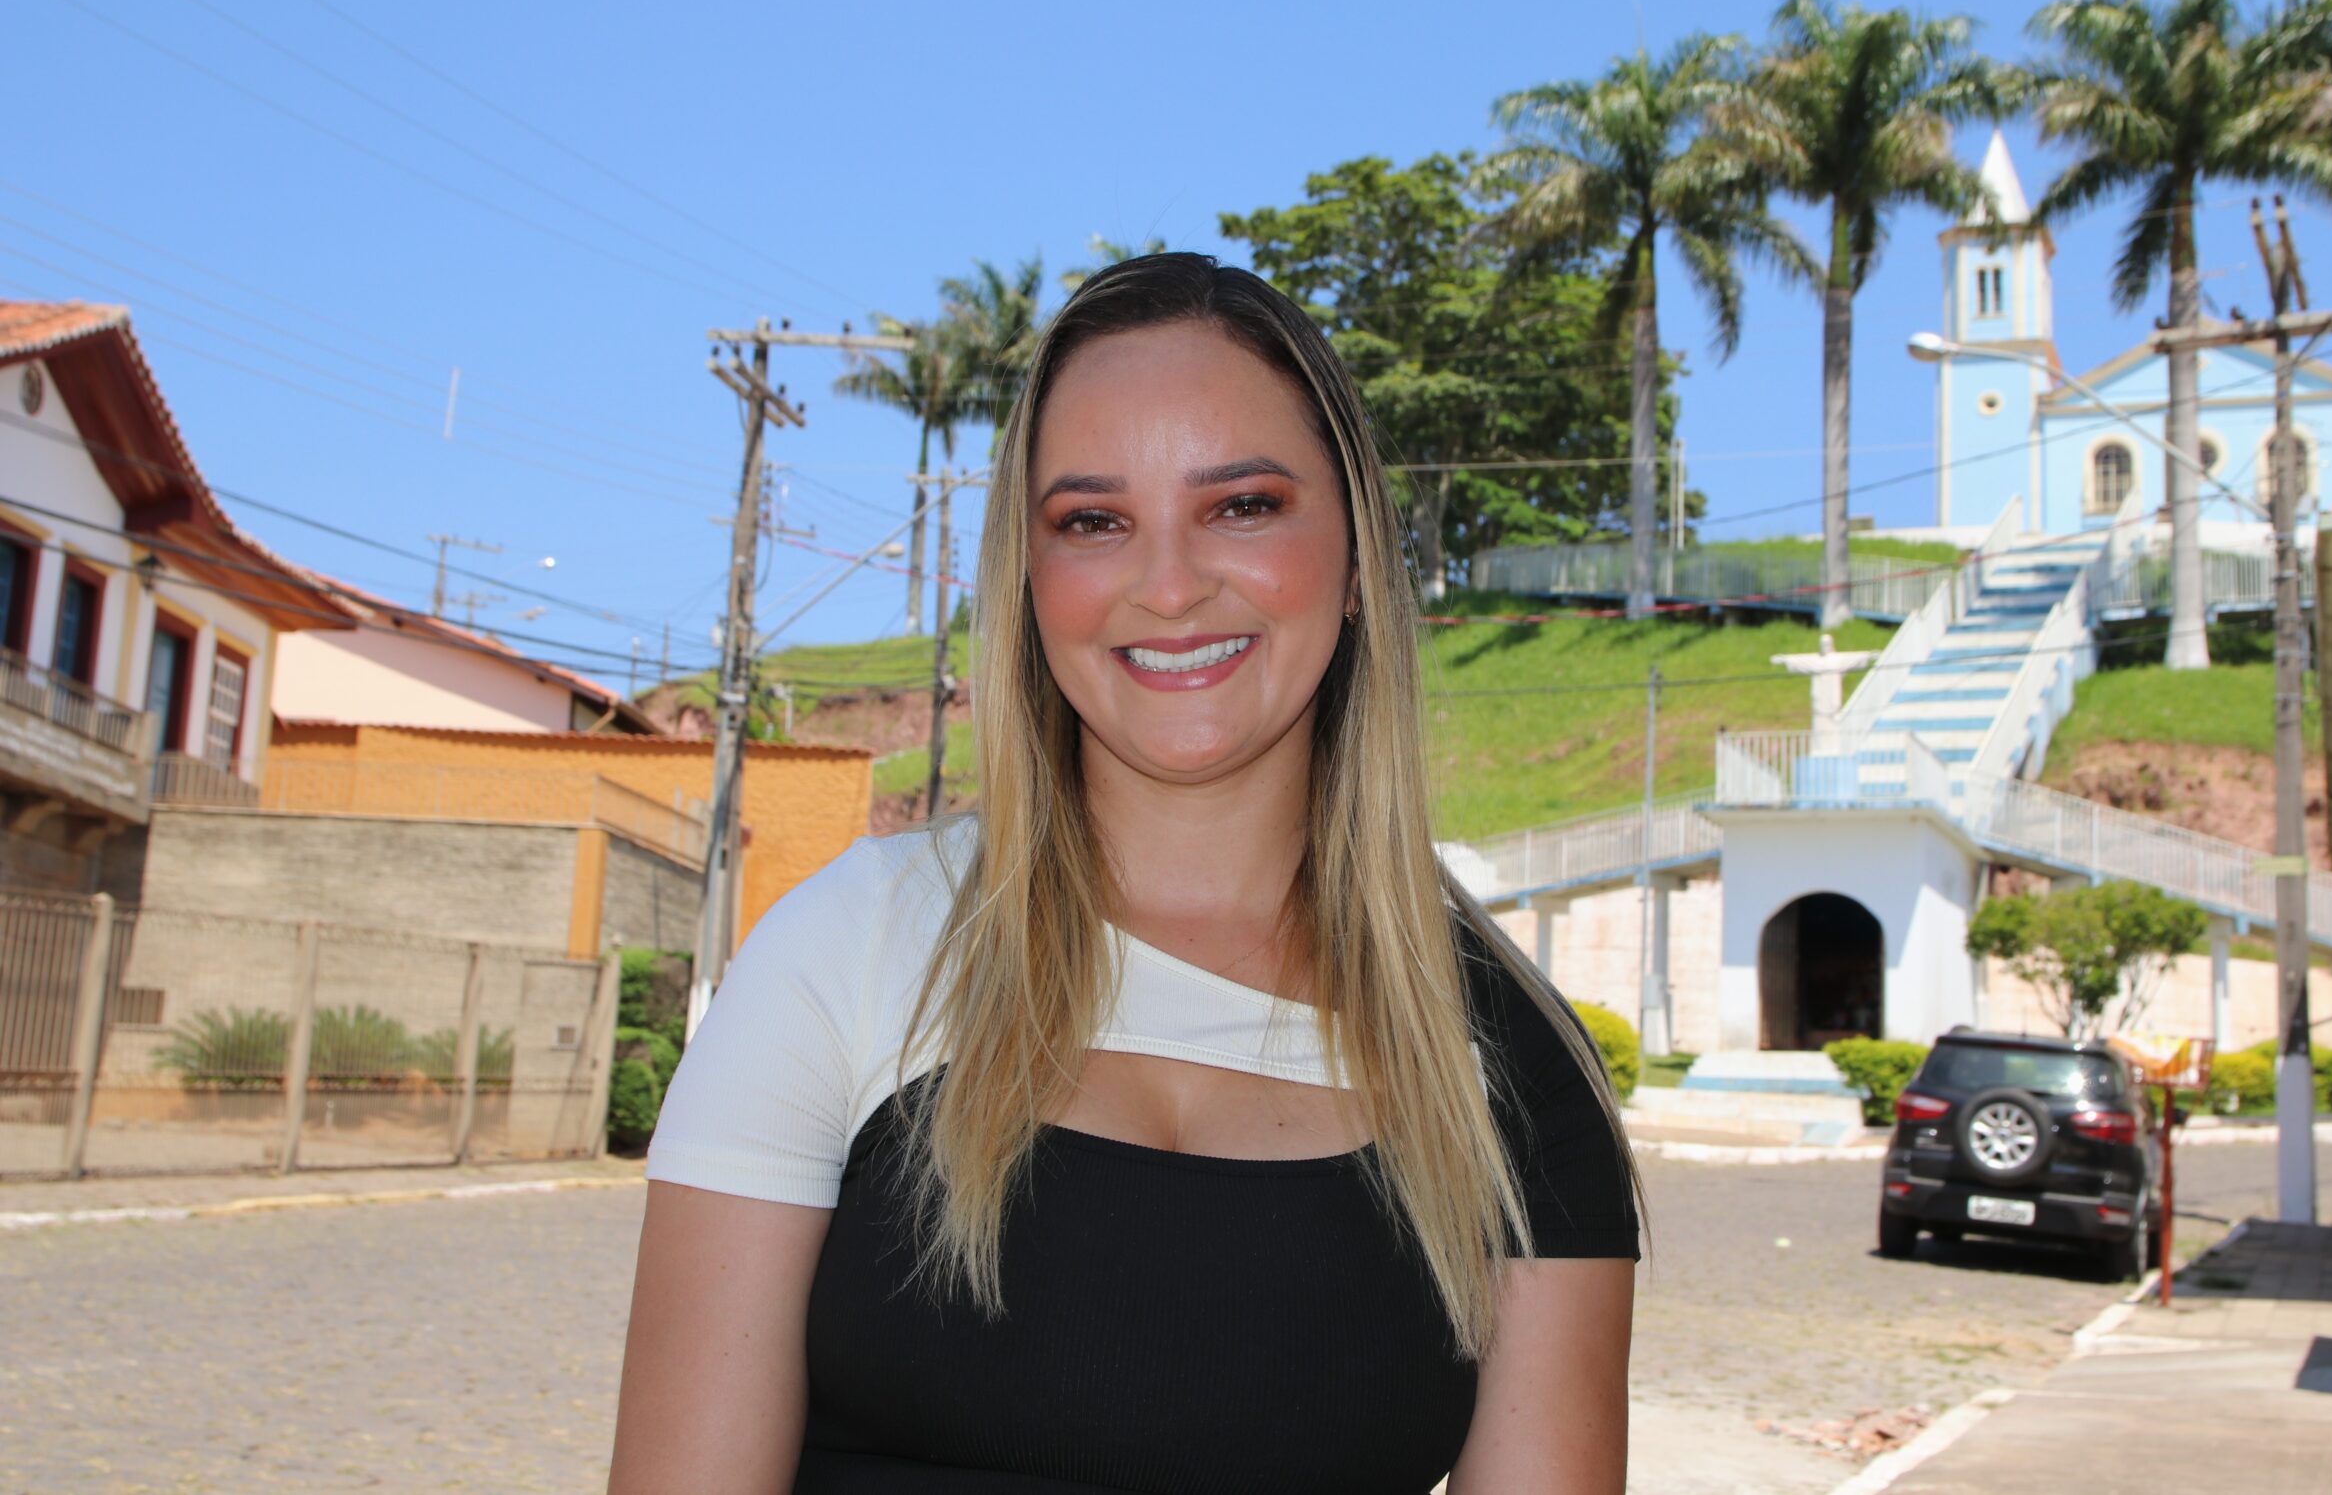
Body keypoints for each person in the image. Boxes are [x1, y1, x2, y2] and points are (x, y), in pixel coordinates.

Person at [609, 252, 1640, 1494]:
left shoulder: (1510, 1068)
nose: (1168, 585)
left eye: (1242, 505)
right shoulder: (851, 950)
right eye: (1094, 521)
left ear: (1360, 557)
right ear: (1031, 581)